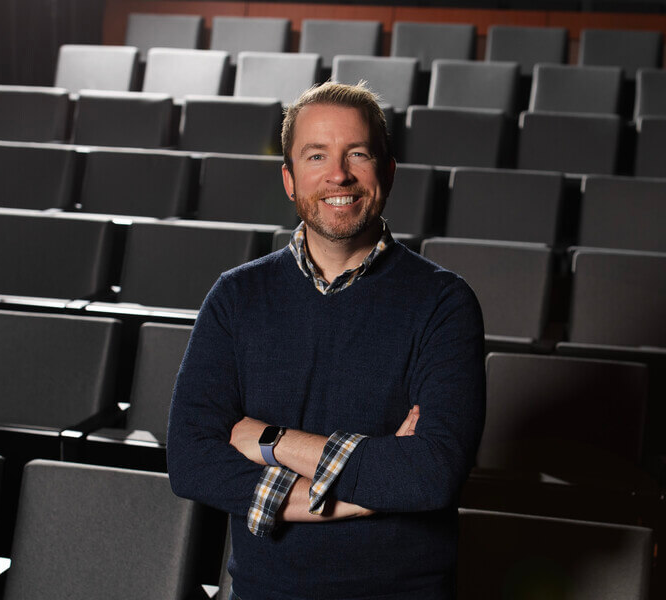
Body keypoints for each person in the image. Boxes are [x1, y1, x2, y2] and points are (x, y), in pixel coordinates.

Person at [166, 81, 487, 600]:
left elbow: (430, 475)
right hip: (264, 591)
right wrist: (365, 494)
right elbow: (190, 460)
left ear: (387, 172)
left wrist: (270, 440)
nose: (338, 174)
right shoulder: (236, 296)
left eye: (357, 154)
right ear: (290, 180)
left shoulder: (445, 303)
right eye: (317, 156)